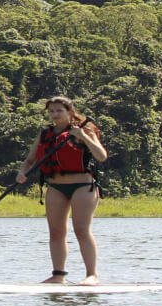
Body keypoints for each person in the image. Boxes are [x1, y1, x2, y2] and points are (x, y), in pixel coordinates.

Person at [15, 96, 109, 285]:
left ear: (70, 112)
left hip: (83, 185)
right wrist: (22, 172)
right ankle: (58, 275)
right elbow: (30, 160)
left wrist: (83, 137)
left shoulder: (84, 130)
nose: (55, 114)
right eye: (51, 111)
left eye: (59, 111)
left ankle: (92, 275)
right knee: (56, 232)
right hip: (56, 186)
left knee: (81, 230)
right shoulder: (45, 134)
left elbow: (101, 156)